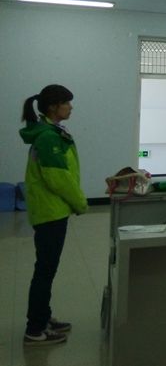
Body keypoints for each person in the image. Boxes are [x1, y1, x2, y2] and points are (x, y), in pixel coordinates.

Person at [20, 85, 88, 346]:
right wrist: (80, 202)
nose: (71, 107)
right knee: (45, 271)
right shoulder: (48, 137)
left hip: (52, 209)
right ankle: (35, 330)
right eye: (67, 103)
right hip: (50, 212)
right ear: (52, 107)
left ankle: (43, 317)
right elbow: (58, 179)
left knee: (46, 269)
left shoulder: (51, 131)